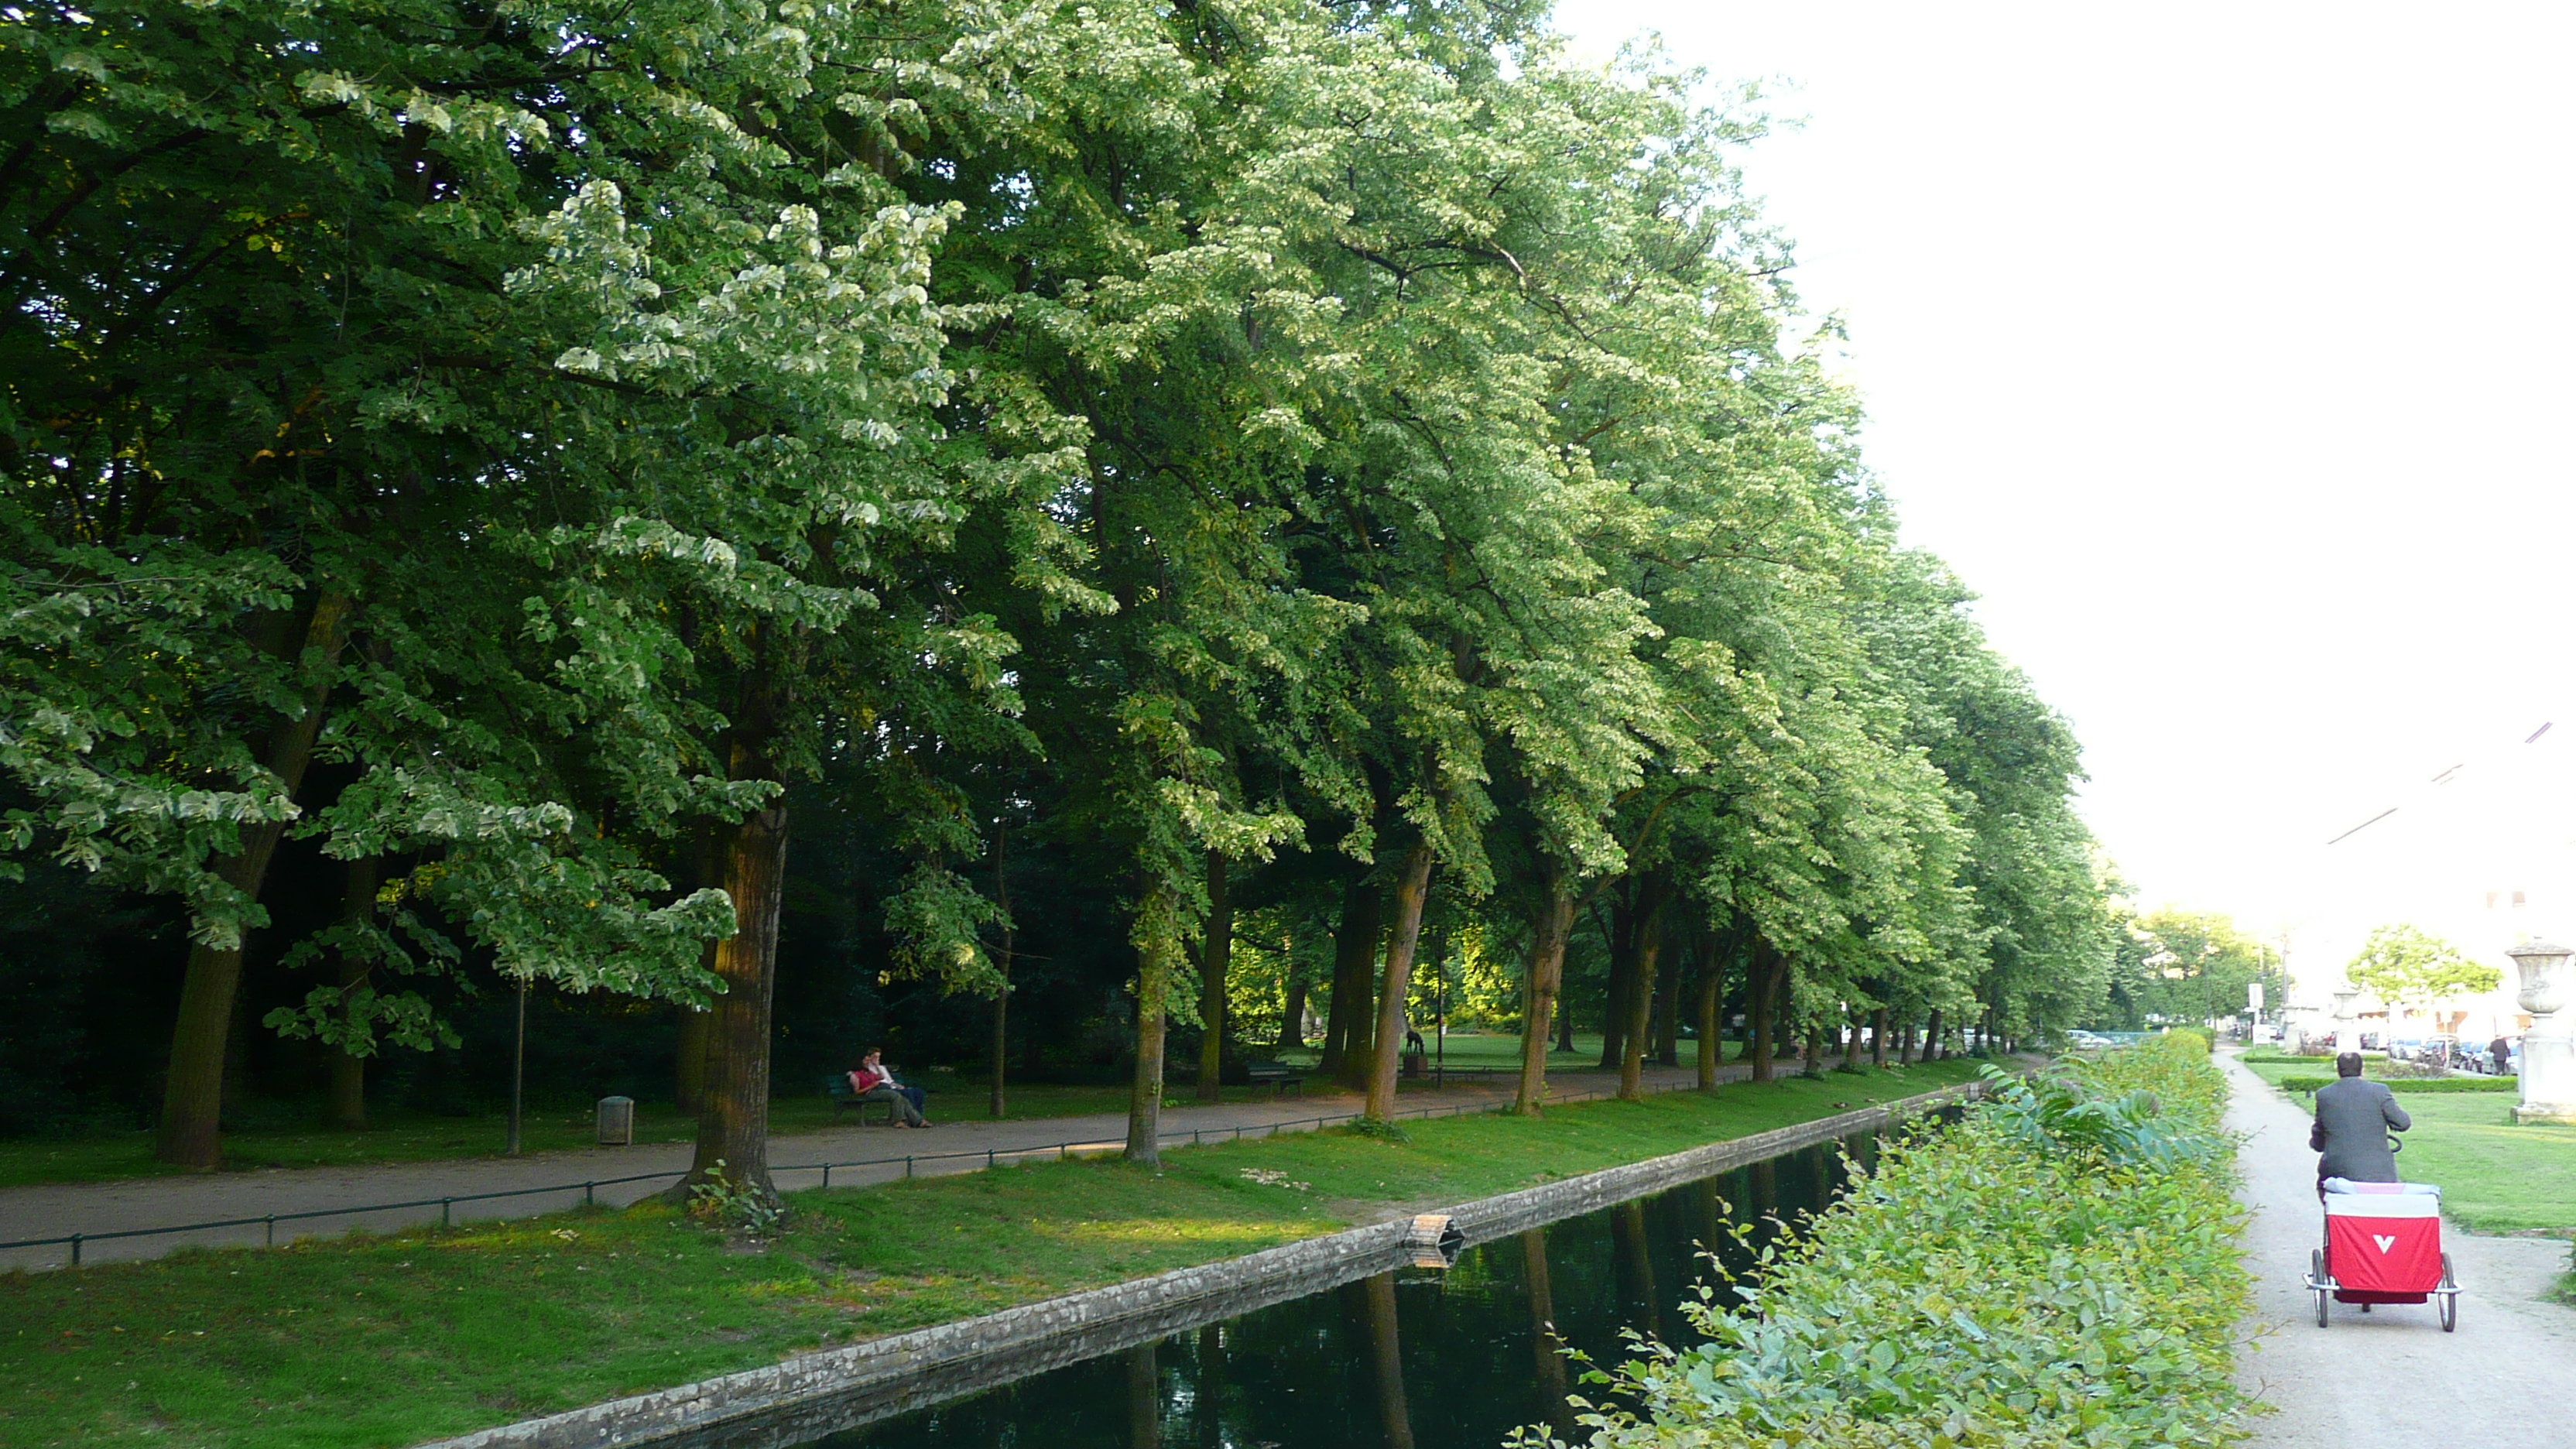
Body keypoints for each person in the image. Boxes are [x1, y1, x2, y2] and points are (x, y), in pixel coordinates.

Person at [2310, 1050, 2407, 1190]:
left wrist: (2317, 1144)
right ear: (2363, 1069)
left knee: (2329, 1195)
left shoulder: (2324, 1094)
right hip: (2378, 1172)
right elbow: (2402, 1123)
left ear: (2337, 1069)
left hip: (2337, 1170)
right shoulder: (2379, 1091)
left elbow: (2319, 1134)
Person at [848, 1049, 930, 1128]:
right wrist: (872, 1086)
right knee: (895, 1095)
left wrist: (877, 1067)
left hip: (877, 1090)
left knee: (902, 1098)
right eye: (866, 1061)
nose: (867, 1063)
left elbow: (881, 1077)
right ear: (860, 1062)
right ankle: (899, 1121)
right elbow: (857, 1092)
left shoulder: (868, 1072)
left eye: (868, 1061)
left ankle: (918, 1121)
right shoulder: (855, 1075)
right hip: (868, 1093)